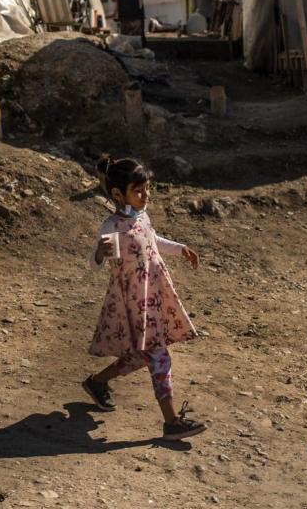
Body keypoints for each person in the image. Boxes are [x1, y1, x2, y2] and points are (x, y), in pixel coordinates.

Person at [82, 155, 207, 440]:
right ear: (117, 194)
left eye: (147, 188)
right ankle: (171, 422)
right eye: (138, 191)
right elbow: (96, 262)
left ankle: (97, 382)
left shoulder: (142, 217)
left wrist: (180, 248)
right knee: (159, 356)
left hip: (153, 295)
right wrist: (100, 254)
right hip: (132, 302)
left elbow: (153, 240)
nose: (145, 195)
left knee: (139, 356)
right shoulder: (111, 227)